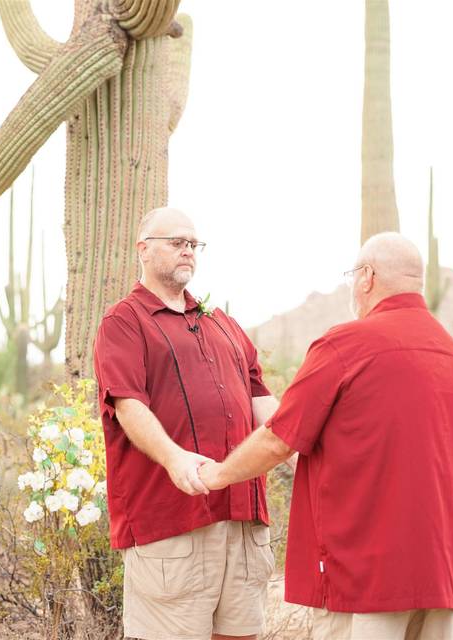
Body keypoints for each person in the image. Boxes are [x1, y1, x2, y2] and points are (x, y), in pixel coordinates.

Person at [199, 232, 453, 640]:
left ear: (366, 277)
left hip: (368, 574)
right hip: (448, 572)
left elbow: (280, 440)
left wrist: (217, 475)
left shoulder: (346, 343)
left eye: (353, 275)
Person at [92, 207, 280, 640]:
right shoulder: (124, 321)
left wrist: (302, 450)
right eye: (177, 242)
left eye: (194, 244)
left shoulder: (223, 323)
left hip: (243, 518)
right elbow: (127, 404)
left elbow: (261, 399)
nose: (188, 251)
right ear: (143, 249)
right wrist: (174, 458)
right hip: (173, 518)